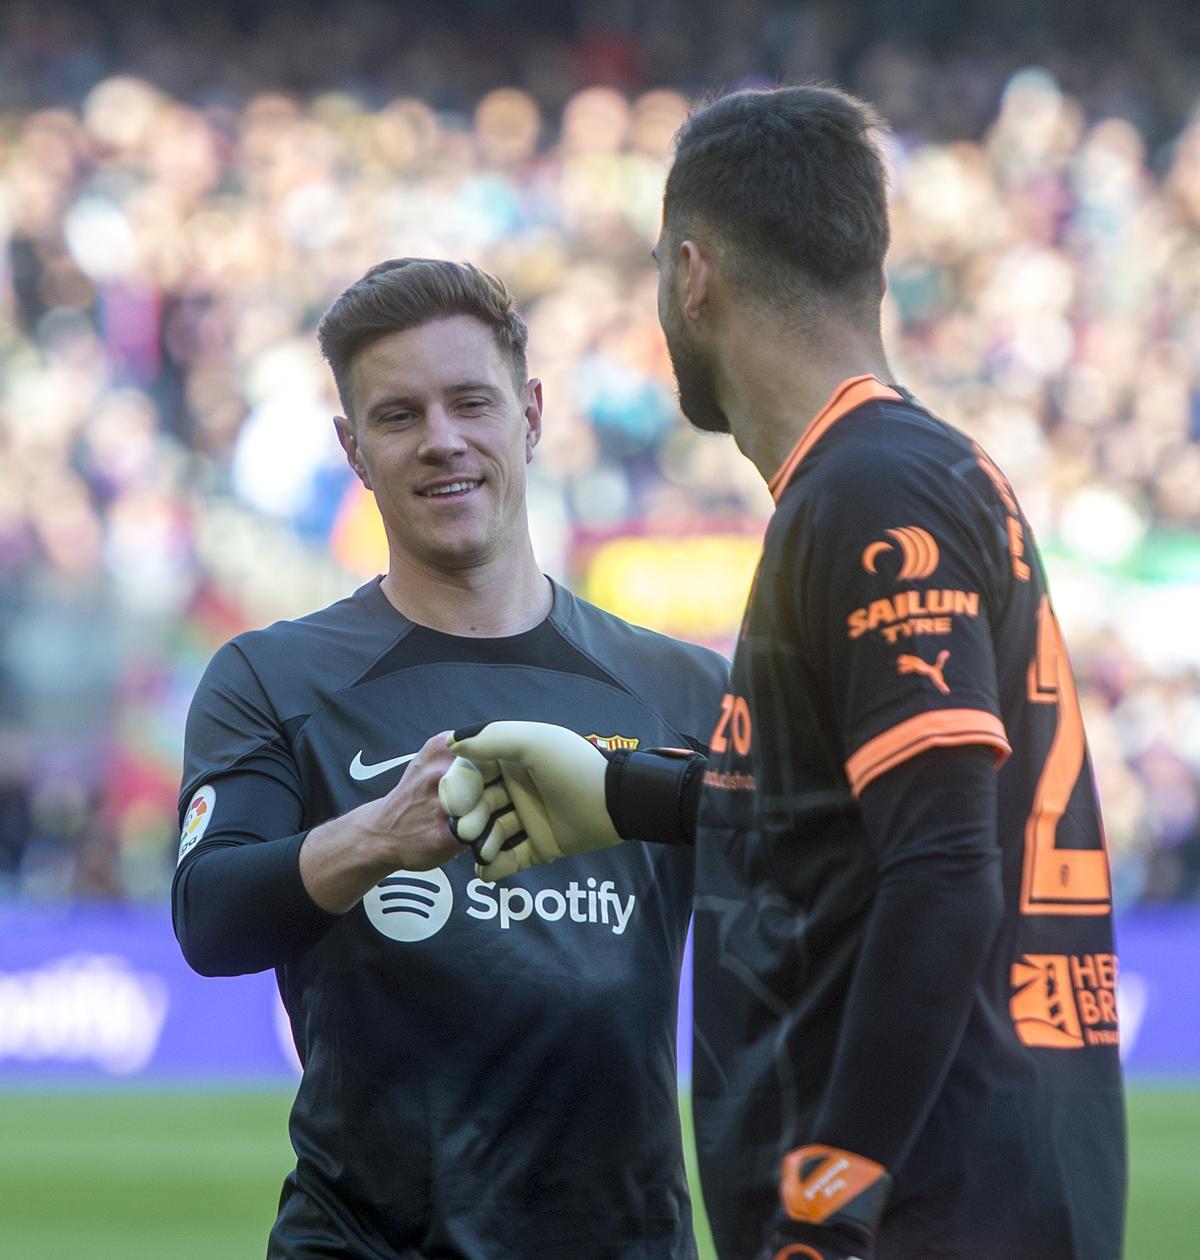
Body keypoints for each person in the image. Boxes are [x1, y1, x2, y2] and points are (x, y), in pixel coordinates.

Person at [442, 87, 1126, 1260]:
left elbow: (946, 864)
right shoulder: (904, 472)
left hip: (918, 1215)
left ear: (692, 275)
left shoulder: (870, 493)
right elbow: (844, 817)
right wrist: (617, 796)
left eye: (660, 268)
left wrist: (832, 1194)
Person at [171, 257, 728, 1260]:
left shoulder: (682, 691)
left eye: (471, 402)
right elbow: (210, 916)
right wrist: (376, 837)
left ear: (532, 413)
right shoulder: (273, 678)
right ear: (352, 448)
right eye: (398, 416)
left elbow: (806, 902)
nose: (442, 441)